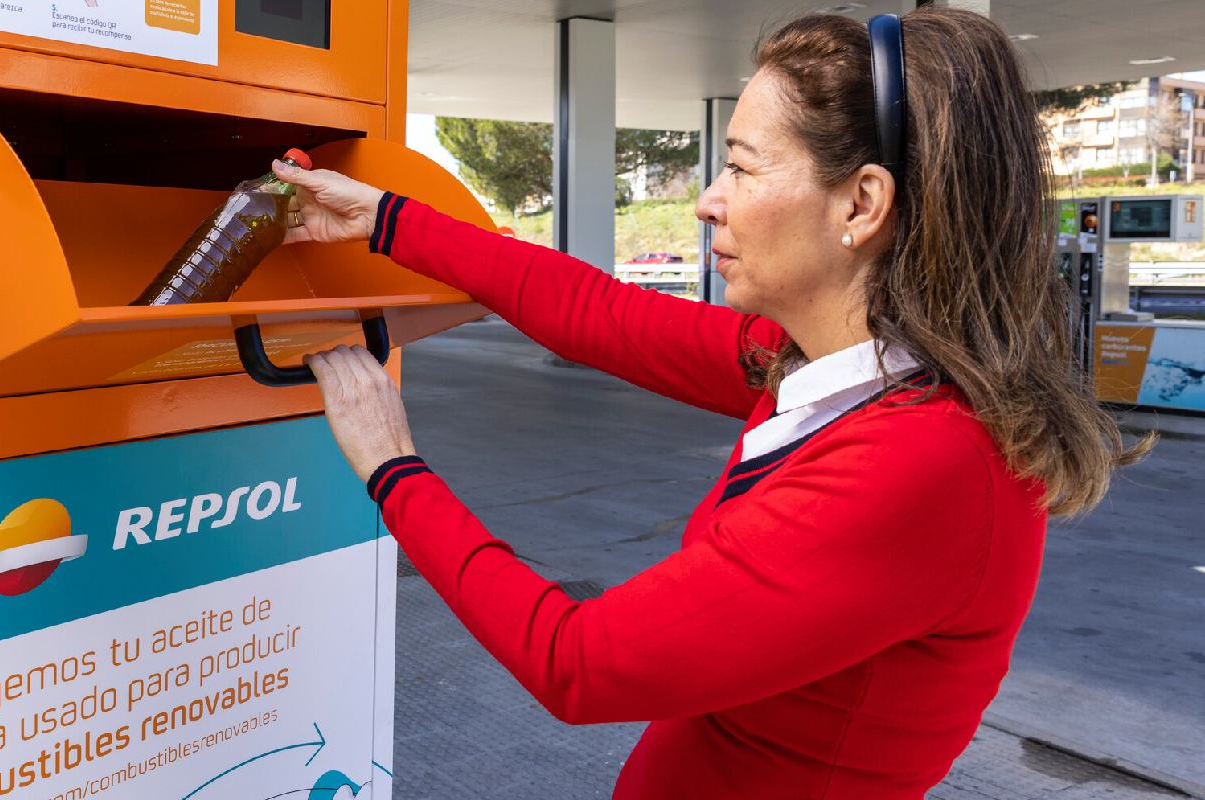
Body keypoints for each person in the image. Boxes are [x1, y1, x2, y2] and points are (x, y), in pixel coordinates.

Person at [274, 8, 1148, 799]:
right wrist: (386, 220)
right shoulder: (838, 368)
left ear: (862, 203)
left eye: (738, 166)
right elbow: (602, 317)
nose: (705, 201)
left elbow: (578, 664)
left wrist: (394, 468)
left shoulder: (923, 461)